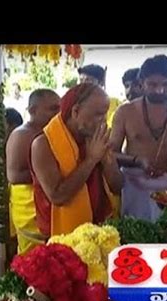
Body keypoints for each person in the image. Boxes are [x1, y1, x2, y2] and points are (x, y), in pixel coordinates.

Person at [109, 54, 167, 222]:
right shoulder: (125, 112)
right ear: (141, 83)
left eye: (166, 84)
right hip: (135, 186)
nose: (160, 90)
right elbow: (111, 154)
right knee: (138, 237)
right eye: (152, 84)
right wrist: (138, 161)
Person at [30, 83, 123, 238]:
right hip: (61, 236)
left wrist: (107, 160)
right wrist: (91, 159)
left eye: (105, 114)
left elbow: (117, 187)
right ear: (76, 111)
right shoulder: (42, 144)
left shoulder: (97, 138)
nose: (103, 121)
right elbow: (58, 196)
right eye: (98, 114)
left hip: (101, 229)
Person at [6, 89, 60, 254]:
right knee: (34, 259)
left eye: (59, 108)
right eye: (52, 109)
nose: (58, 113)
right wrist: (46, 174)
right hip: (30, 206)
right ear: (32, 111)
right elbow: (14, 176)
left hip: (49, 201)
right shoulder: (22, 134)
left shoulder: (53, 131)